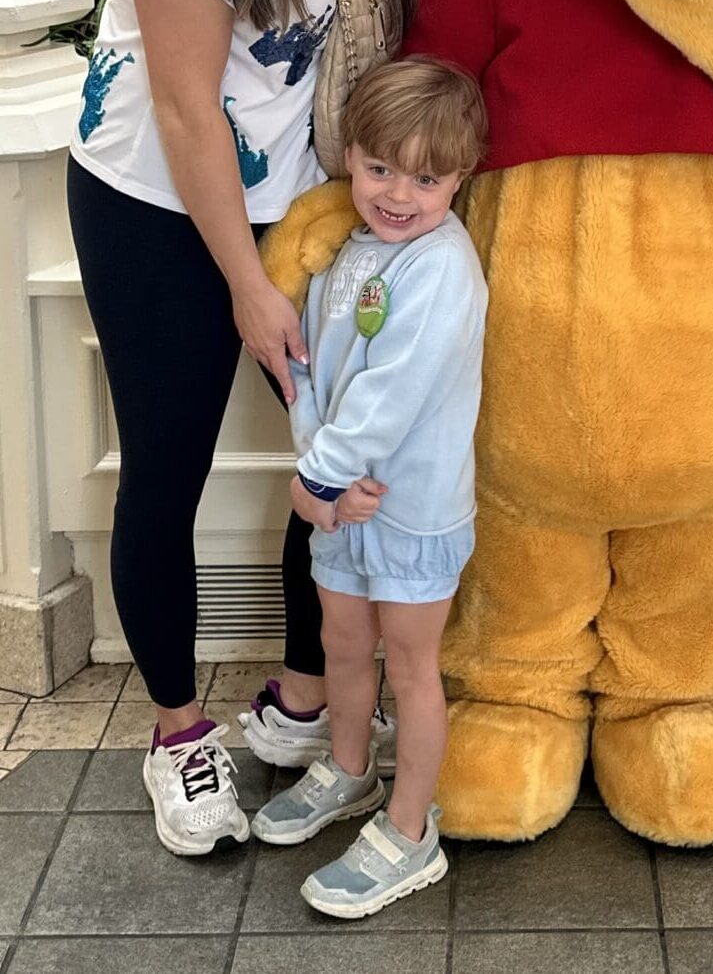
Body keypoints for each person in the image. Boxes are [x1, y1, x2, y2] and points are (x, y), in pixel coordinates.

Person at [66, 0, 425, 857]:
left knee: (336, 452)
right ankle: (178, 731)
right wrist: (250, 282)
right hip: (161, 197)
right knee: (167, 461)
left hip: (308, 193)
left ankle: (299, 695)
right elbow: (183, 107)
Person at [250, 56, 488, 921]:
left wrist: (319, 479)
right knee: (343, 647)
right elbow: (308, 373)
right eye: (381, 168)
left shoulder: (443, 268)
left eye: (426, 179)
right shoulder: (345, 251)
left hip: (409, 511)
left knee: (413, 668)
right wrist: (320, 482)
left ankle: (409, 829)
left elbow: (395, 391)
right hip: (341, 505)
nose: (398, 194)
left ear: (459, 178)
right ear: (350, 155)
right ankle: (349, 769)